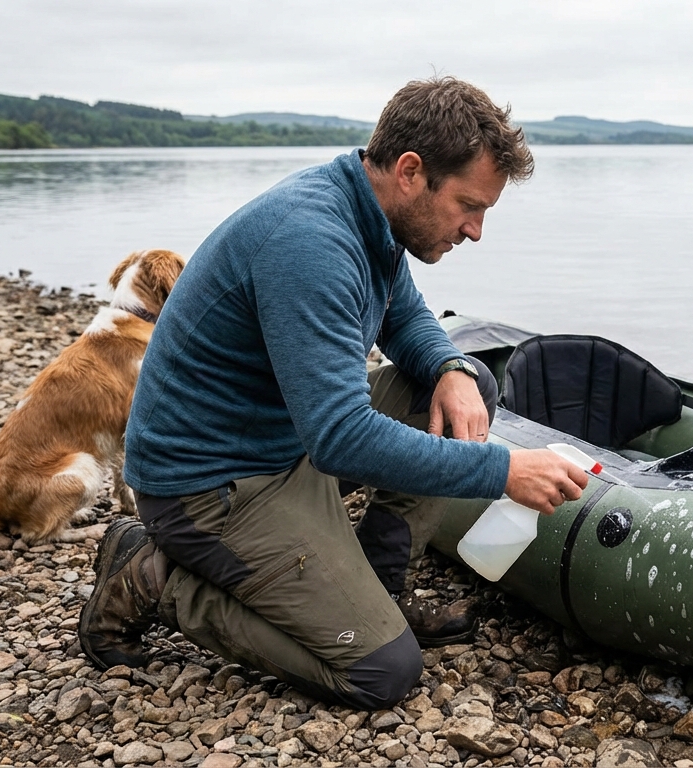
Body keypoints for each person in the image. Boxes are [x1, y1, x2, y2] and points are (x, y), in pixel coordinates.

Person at [76, 77, 590, 710]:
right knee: (383, 671)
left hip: (277, 442)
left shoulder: (369, 213)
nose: (475, 229)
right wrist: (503, 469)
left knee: (465, 384)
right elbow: (340, 437)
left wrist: (453, 367)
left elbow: (403, 317)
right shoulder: (311, 242)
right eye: (468, 205)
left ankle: (377, 587)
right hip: (208, 488)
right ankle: (155, 580)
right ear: (410, 171)